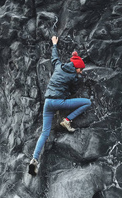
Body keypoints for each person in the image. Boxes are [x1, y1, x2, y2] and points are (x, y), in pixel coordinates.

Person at [28, 36, 91, 175]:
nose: (81, 71)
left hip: (48, 103)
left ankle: (34, 160)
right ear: (76, 68)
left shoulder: (59, 66)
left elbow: (54, 58)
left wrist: (54, 44)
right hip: (59, 102)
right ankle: (67, 120)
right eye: (80, 69)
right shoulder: (73, 76)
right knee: (87, 102)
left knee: (44, 133)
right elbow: (74, 88)